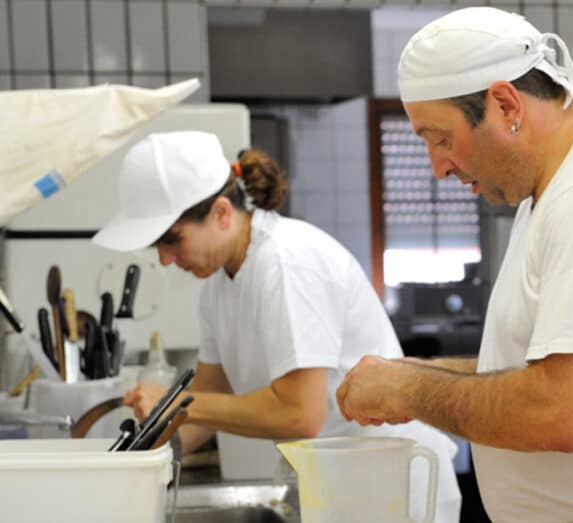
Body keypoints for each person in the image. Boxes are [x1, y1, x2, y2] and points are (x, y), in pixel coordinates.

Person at [335, 7, 573, 523]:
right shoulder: (559, 187)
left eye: (440, 139)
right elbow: (543, 370)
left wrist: (410, 389)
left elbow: (562, 412)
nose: (438, 168)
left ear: (505, 103)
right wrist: (420, 373)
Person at [92, 131, 461, 522]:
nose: (165, 260)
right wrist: (137, 461)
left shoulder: (286, 265)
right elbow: (209, 396)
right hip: (336, 485)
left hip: (392, 489)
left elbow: (300, 413)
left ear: (221, 213)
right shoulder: (217, 288)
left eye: (172, 240)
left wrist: (178, 404)